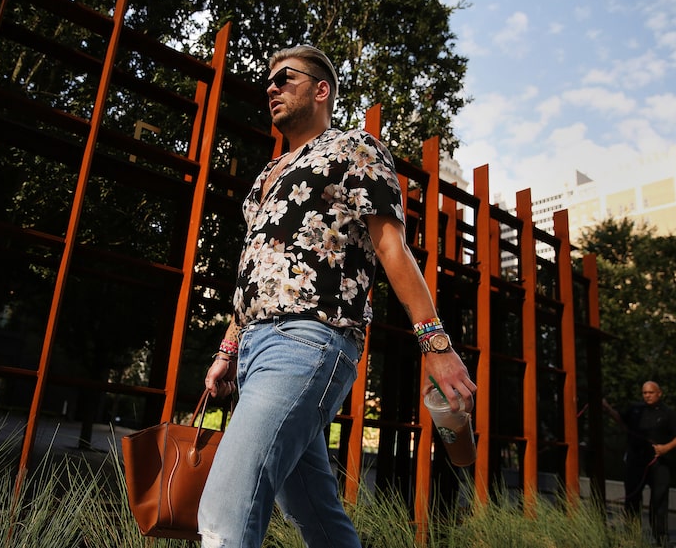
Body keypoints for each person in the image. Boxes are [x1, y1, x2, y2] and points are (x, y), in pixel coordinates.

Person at [196, 45, 476, 548]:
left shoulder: (355, 149)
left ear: (321, 89)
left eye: (284, 77)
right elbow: (256, 272)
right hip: (255, 348)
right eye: (269, 80)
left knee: (226, 505)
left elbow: (392, 246)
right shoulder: (267, 176)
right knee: (313, 512)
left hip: (308, 341)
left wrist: (436, 344)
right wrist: (226, 350)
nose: (271, 88)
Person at [603, 381, 676, 547]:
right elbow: (621, 420)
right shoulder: (635, 410)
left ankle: (661, 538)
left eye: (650, 392)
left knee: (659, 501)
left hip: (659, 463)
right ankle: (631, 536)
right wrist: (606, 408)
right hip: (636, 461)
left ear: (659, 393)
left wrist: (666, 448)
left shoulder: (667, 414)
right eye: (644, 393)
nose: (647, 395)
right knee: (632, 500)